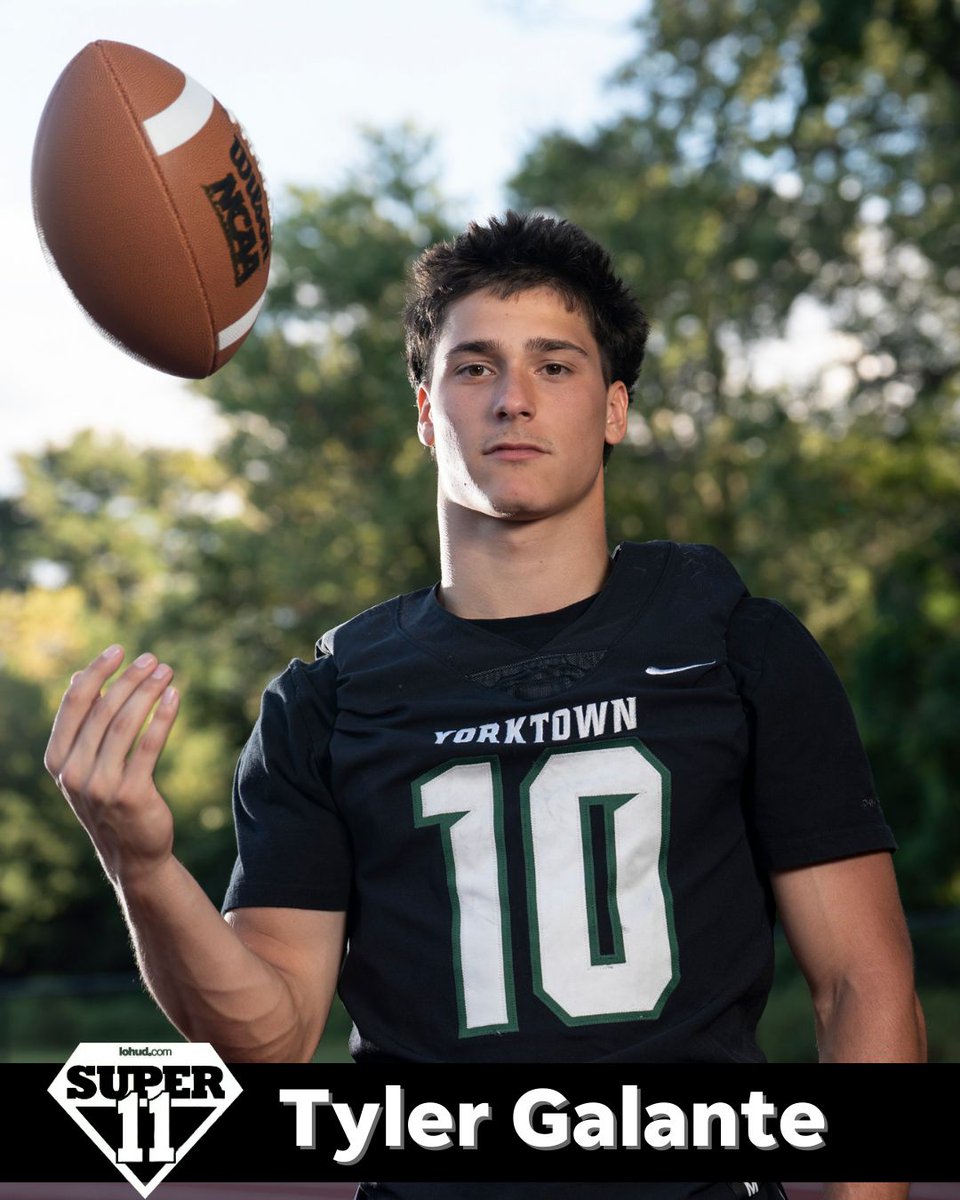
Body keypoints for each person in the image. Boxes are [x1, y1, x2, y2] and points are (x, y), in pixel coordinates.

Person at [45, 213, 925, 1200]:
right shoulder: (330, 700)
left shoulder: (733, 643)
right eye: (473, 368)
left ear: (615, 408)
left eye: (555, 366)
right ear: (427, 411)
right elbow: (272, 1039)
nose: (513, 399)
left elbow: (862, 985)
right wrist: (143, 864)